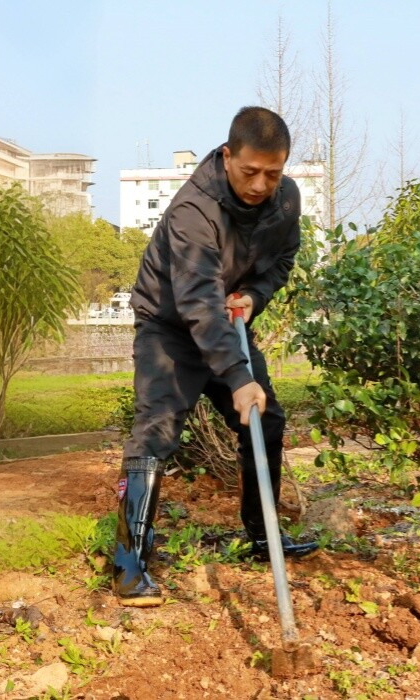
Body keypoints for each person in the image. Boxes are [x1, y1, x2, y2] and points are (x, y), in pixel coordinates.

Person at [113, 107, 318, 608]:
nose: (260, 184)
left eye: (273, 173)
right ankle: (128, 563)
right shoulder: (193, 211)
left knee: (264, 423)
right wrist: (237, 376)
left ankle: (263, 536)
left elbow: (282, 260)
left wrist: (252, 296)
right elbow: (197, 301)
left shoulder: (284, 199)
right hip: (171, 329)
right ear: (228, 157)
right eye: (250, 172)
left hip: (226, 324)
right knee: (156, 433)